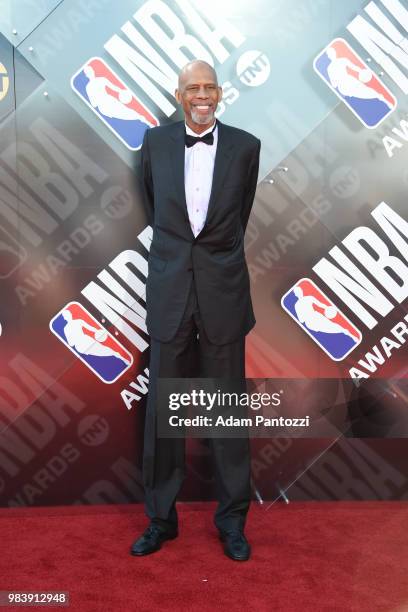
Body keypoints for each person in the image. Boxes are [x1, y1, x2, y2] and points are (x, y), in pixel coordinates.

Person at [130, 60, 260, 561]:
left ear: (220, 93)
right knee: (165, 417)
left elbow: (238, 216)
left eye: (208, 87)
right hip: (169, 297)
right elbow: (155, 207)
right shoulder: (155, 142)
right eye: (192, 88)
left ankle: (232, 523)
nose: (200, 95)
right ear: (178, 93)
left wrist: (211, 261)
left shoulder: (246, 147)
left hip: (223, 295)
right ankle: (161, 520)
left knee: (227, 418)